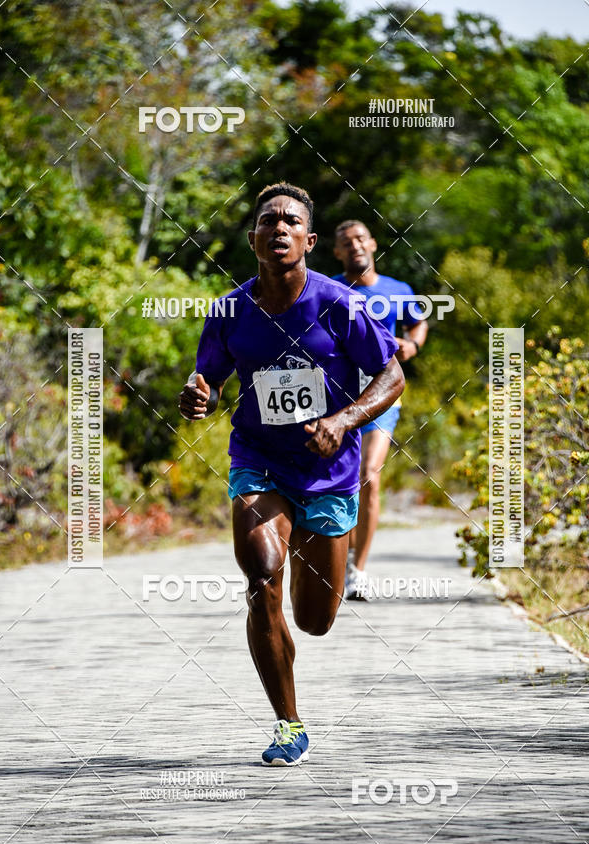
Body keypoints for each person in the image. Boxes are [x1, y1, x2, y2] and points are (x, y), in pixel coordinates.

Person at [179, 184, 404, 766]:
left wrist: (344, 419)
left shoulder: (341, 304)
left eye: (291, 221)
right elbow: (210, 379)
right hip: (259, 459)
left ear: (309, 240)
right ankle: (288, 724)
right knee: (261, 577)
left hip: (329, 471)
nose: (279, 227)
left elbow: (392, 377)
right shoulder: (229, 311)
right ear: (253, 237)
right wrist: (199, 395)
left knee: (315, 620)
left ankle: (309, 556)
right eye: (268, 220)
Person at [333, 220, 428, 601]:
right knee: (340, 482)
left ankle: (357, 570)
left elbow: (418, 323)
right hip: (337, 399)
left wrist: (412, 346)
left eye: (360, 238)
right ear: (337, 252)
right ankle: (339, 555)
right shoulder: (330, 290)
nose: (355, 245)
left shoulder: (397, 289)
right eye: (346, 242)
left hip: (382, 397)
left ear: (372, 243)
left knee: (369, 476)